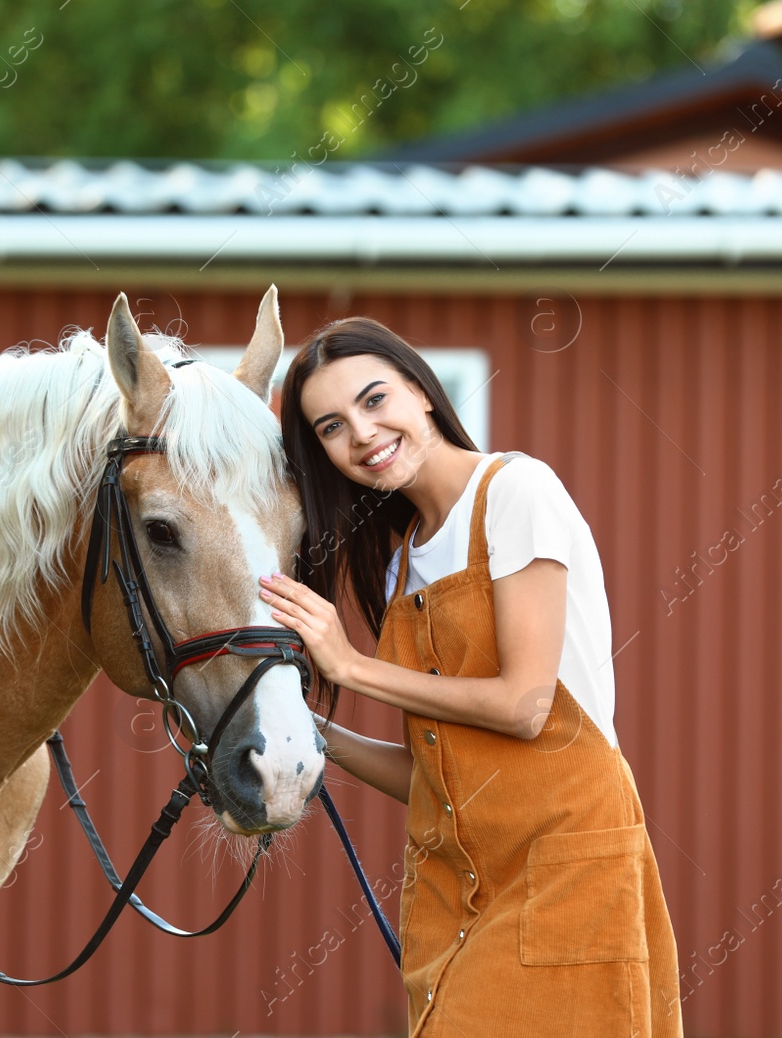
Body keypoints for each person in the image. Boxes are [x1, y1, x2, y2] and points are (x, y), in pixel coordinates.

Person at [257, 316, 684, 1038]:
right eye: (331, 426)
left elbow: (523, 705)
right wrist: (308, 732)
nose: (361, 434)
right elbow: (442, 772)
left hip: (564, 870)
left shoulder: (516, 493)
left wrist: (352, 669)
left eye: (374, 400)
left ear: (422, 391)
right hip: (455, 889)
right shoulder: (400, 564)